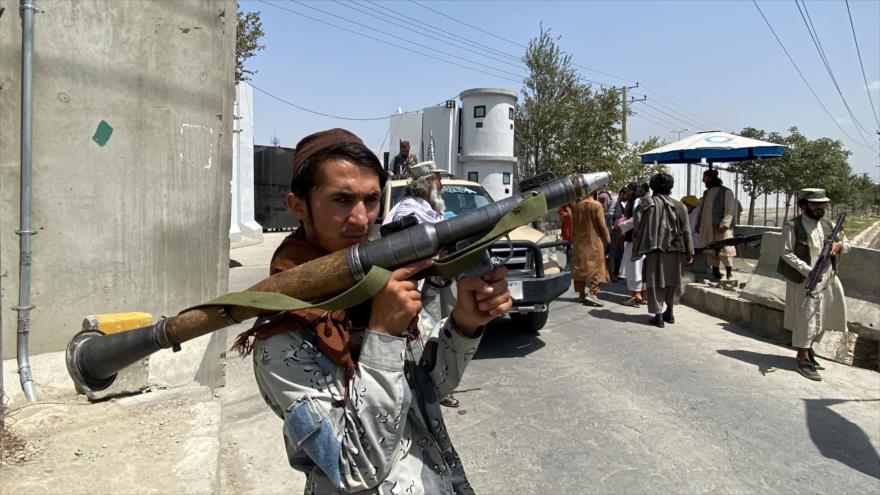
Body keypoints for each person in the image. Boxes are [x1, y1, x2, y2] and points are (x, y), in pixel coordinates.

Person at [236, 128, 512, 493]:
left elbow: (433, 385)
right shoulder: (282, 333)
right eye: (341, 199)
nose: (361, 219)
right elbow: (353, 468)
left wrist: (465, 323)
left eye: (370, 199)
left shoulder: (375, 283)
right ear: (298, 206)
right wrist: (384, 334)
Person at [383, 160, 460, 408]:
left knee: (445, 333)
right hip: (423, 288)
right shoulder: (408, 211)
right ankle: (433, 388)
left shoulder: (428, 208)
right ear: (428, 184)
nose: (441, 185)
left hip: (440, 281)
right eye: (438, 180)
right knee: (431, 339)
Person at [777, 188, 849, 381]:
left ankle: (809, 351)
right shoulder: (793, 226)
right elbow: (786, 253)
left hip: (828, 278)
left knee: (824, 315)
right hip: (805, 279)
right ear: (803, 205)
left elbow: (846, 243)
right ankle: (802, 357)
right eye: (815, 204)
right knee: (805, 317)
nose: (819, 208)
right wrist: (809, 271)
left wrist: (838, 245)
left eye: (822, 204)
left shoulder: (829, 224)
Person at [633, 174, 693, 328]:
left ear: (653, 186)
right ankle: (670, 312)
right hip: (676, 249)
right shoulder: (681, 206)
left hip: (655, 249)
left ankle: (658, 315)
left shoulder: (648, 203)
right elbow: (687, 231)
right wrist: (690, 252)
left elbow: (638, 224)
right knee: (673, 281)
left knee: (655, 282)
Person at [570, 191, 611, 306]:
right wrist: (608, 239)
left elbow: (573, 224)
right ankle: (592, 293)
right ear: (595, 193)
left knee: (580, 267)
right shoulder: (597, 205)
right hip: (594, 242)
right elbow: (602, 225)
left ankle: (581, 294)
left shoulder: (577, 206)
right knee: (599, 268)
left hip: (579, 242)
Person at [694, 169, 737, 280]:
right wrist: (698, 223)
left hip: (721, 227)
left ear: (710, 178)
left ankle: (729, 273)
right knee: (710, 250)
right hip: (707, 227)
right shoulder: (706, 193)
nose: (703, 180)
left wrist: (725, 224)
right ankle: (715, 272)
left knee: (725, 250)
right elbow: (702, 210)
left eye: (705, 177)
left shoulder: (726, 192)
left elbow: (730, 210)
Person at [617, 182, 649, 306]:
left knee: (634, 268)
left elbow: (635, 219)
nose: (627, 193)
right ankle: (642, 295)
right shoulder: (641, 201)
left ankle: (636, 295)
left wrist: (621, 228)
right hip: (641, 240)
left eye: (629, 190)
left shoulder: (637, 202)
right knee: (640, 268)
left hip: (635, 241)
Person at [608, 188, 627, 282]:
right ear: (622, 194)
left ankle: (616, 273)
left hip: (620, 233)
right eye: (625, 195)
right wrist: (611, 228)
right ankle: (611, 274)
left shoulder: (621, 205)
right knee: (613, 254)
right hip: (614, 233)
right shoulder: (614, 202)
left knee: (620, 254)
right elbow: (608, 215)